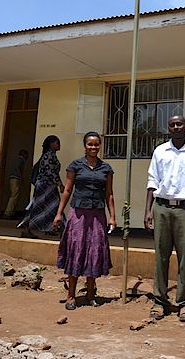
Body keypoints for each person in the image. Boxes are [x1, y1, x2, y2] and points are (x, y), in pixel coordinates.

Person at [144, 115, 185, 323]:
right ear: (168, 128)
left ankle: (184, 303)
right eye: (172, 124)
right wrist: (148, 211)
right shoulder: (160, 151)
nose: (176, 127)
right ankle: (159, 301)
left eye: (180, 124)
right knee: (161, 257)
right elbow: (152, 181)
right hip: (161, 208)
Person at [54, 131, 116, 310]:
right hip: (78, 213)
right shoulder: (75, 165)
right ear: (85, 146)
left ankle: (90, 294)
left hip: (97, 214)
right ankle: (71, 295)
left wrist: (112, 217)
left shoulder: (106, 168)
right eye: (90, 144)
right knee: (76, 249)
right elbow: (67, 190)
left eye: (96, 144)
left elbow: (109, 193)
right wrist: (59, 213)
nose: (93, 147)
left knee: (94, 251)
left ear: (100, 146)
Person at [18, 135, 64, 238]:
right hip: (45, 185)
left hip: (49, 185)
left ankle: (52, 228)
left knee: (51, 207)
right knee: (40, 207)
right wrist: (60, 184)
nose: (59, 145)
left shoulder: (52, 155)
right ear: (51, 144)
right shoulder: (48, 155)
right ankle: (27, 228)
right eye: (57, 143)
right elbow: (51, 172)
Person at [3, 149, 29, 218]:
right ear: (24, 154)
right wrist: (21, 177)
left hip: (14, 178)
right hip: (15, 178)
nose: (27, 156)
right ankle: (7, 213)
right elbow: (17, 168)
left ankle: (11, 213)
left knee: (15, 195)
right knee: (14, 196)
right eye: (26, 155)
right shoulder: (20, 160)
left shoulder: (18, 159)